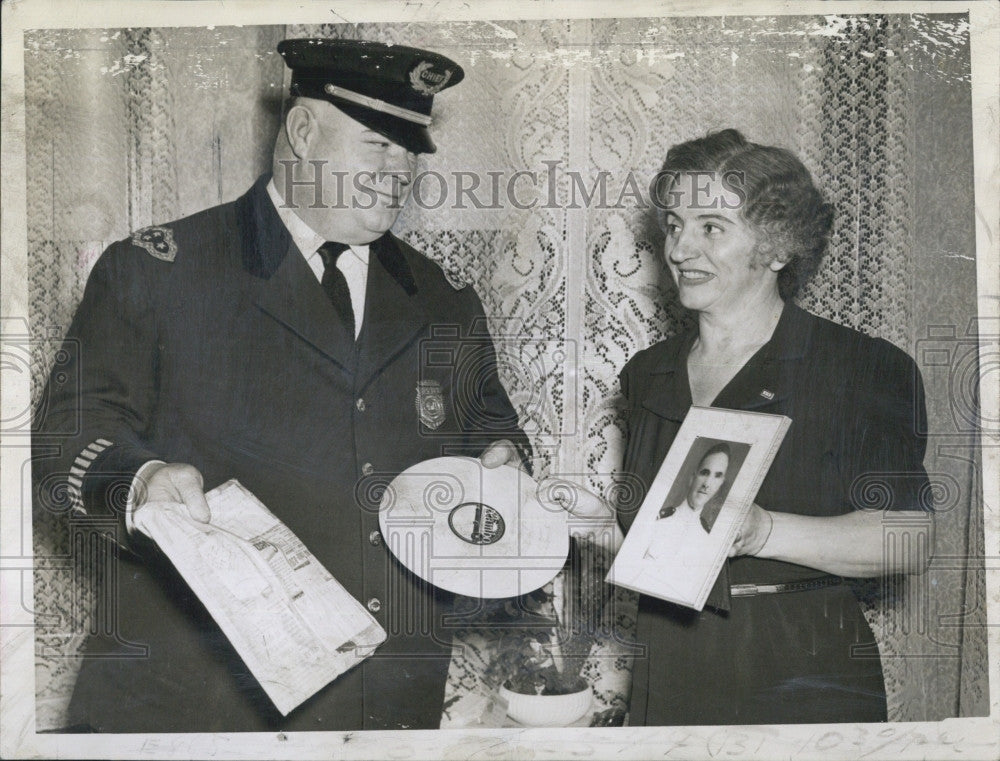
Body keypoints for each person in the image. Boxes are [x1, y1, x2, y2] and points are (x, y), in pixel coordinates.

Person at [32, 38, 529, 732]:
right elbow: (65, 436)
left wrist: (503, 466)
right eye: (378, 146)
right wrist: (139, 478)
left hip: (384, 704)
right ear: (301, 130)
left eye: (410, 151)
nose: (401, 171)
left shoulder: (443, 301)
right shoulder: (160, 271)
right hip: (202, 703)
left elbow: (490, 432)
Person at [562, 129, 933, 725]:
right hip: (670, 657)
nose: (680, 248)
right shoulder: (647, 373)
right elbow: (670, 542)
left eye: (712, 226)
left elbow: (907, 539)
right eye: (675, 224)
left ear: (779, 247)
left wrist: (763, 532)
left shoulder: (862, 367)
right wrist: (600, 526)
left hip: (801, 663)